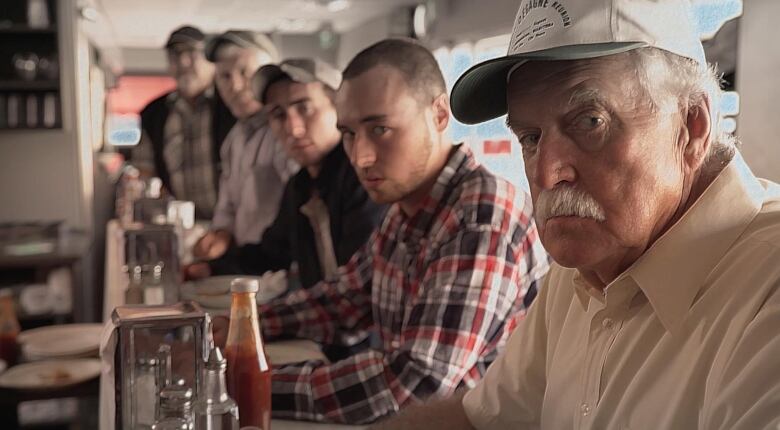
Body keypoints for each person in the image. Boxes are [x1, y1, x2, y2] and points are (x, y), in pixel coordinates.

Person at [371, 1, 780, 429]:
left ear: (692, 127)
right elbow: (481, 421)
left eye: (589, 122)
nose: (548, 172)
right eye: (530, 137)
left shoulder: (764, 291)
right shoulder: (580, 273)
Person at [241, 39, 549, 425]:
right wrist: (243, 325)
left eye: (380, 129)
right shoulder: (408, 206)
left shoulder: (479, 218)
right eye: (349, 134)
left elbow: (414, 384)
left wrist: (246, 382)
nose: (360, 157)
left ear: (439, 115)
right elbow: (343, 299)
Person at [187, 58, 387, 291]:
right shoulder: (300, 184)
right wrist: (210, 268)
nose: (293, 128)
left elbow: (356, 291)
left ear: (339, 109)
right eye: (278, 115)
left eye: (304, 108)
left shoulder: (364, 178)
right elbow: (271, 253)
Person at [192, 31, 297, 259]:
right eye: (225, 76)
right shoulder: (234, 139)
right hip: (246, 266)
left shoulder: (289, 134)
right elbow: (227, 205)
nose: (236, 86)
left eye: (245, 73)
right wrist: (220, 234)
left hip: (283, 268)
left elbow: (300, 211)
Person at [131, 25, 236, 220]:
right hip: (182, 223)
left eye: (191, 53)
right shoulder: (154, 113)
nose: (182, 62)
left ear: (210, 60)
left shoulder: (231, 103)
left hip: (232, 223)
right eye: (174, 55)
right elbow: (144, 172)